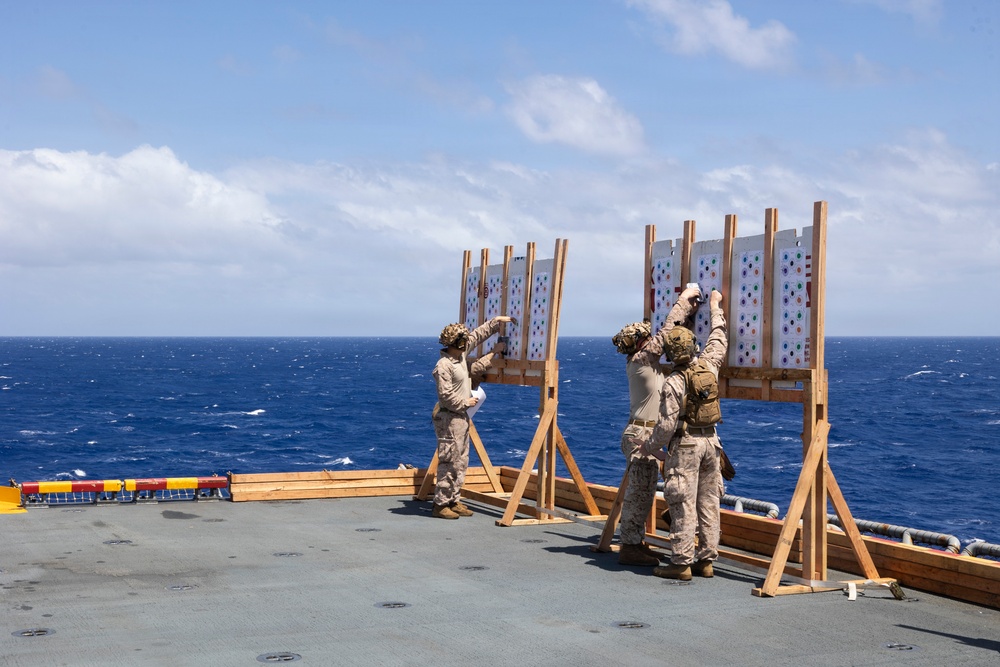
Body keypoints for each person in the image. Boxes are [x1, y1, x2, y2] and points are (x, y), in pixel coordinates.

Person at [636, 287, 727, 581]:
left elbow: (665, 427)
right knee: (709, 503)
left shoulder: (674, 382)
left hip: (686, 446)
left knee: (682, 503)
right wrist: (715, 306)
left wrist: (649, 446)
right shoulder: (709, 366)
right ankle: (707, 560)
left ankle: (681, 562)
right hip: (712, 442)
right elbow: (719, 338)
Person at [611, 285, 702, 566]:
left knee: (646, 490)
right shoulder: (642, 360)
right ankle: (629, 546)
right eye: (647, 338)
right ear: (641, 343)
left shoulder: (647, 365)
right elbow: (666, 333)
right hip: (642, 433)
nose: (652, 339)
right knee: (640, 493)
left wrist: (689, 320)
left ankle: (635, 542)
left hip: (647, 432)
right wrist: (684, 300)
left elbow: (675, 340)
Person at [431, 316, 514, 519]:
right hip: (450, 417)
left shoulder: (459, 357)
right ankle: (440, 504)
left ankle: (453, 500)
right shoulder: (444, 366)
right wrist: (465, 402)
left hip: (460, 417)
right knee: (449, 461)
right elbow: (445, 396)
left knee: (461, 461)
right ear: (456, 342)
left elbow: (477, 335)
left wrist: (495, 322)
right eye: (463, 339)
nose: (467, 341)